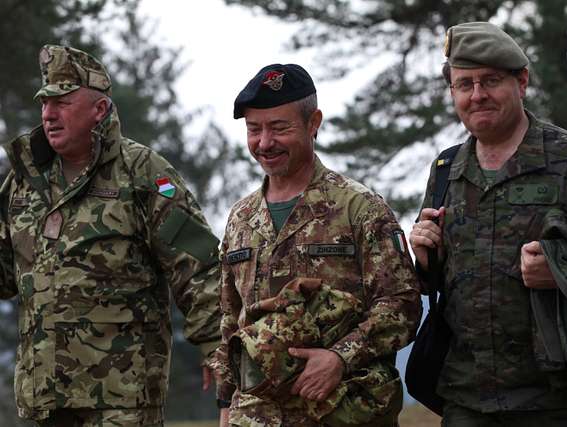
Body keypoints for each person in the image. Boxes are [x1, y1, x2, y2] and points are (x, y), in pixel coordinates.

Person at [409, 21, 567, 426]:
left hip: (562, 402)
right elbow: (444, 284)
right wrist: (427, 259)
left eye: (491, 81)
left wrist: (564, 268)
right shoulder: (446, 169)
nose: (477, 95)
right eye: (465, 84)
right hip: (467, 400)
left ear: (522, 82)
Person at [0, 45, 222, 426]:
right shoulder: (24, 181)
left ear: (99, 110)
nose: (48, 115)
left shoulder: (145, 174)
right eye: (44, 103)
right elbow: (5, 274)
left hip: (122, 400)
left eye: (63, 102)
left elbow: (197, 264)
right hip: (45, 399)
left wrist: (216, 347)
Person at [212, 63, 421, 427]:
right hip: (257, 416)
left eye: (279, 128)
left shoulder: (359, 208)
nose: (264, 143)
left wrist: (341, 357)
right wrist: (226, 405)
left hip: (342, 411)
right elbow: (231, 321)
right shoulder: (240, 219)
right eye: (253, 129)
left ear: (313, 123)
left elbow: (402, 305)